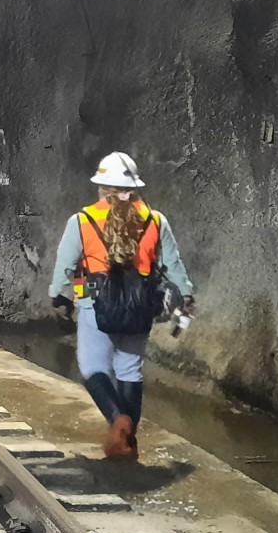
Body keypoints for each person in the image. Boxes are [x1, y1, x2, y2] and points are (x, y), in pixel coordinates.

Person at [47, 151, 194, 459]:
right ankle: (129, 440)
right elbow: (173, 265)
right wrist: (186, 294)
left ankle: (118, 420)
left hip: (95, 304)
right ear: (134, 187)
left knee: (93, 368)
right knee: (129, 369)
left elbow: (65, 265)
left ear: (102, 187)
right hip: (141, 306)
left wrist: (59, 296)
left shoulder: (82, 220)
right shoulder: (155, 220)